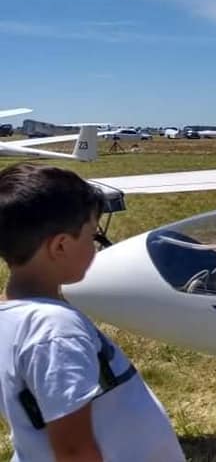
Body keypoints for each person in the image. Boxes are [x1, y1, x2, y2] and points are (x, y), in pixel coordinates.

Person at [0, 163, 185, 461]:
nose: (96, 247)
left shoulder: (9, 317)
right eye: (92, 236)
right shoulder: (55, 331)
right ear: (60, 246)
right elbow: (74, 451)